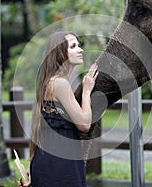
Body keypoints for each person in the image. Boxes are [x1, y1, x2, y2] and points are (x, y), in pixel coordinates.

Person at [28, 31, 99, 187]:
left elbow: (38, 129)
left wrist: (30, 166)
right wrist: (87, 91)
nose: (80, 50)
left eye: (79, 45)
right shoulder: (60, 84)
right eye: (73, 46)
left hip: (47, 161)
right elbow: (84, 124)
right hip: (61, 166)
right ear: (60, 53)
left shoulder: (48, 82)